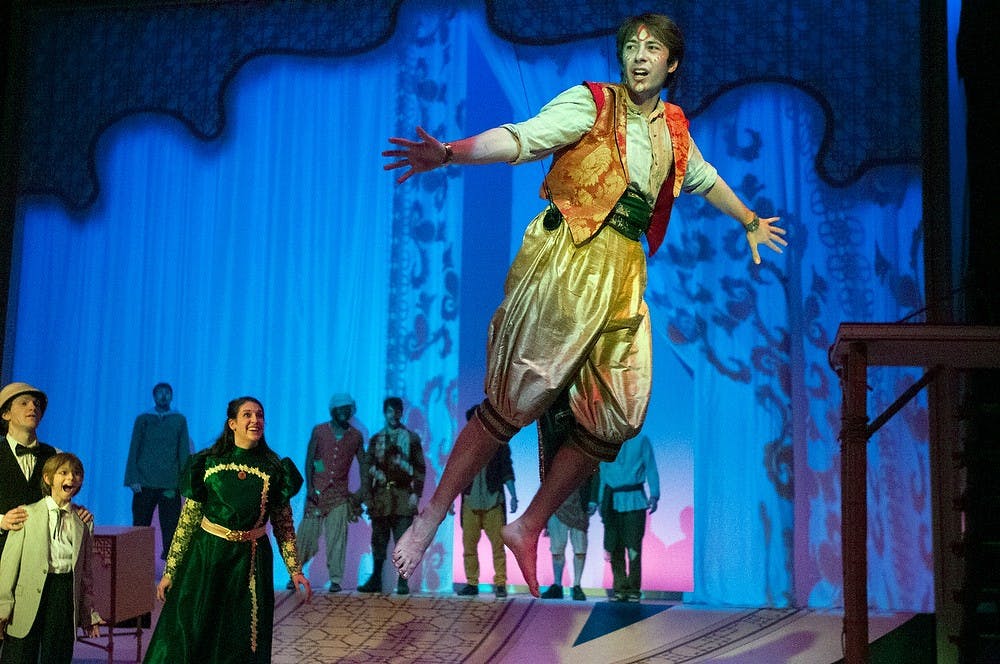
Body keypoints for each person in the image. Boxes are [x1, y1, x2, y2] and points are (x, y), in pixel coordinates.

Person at [382, 13, 786, 596]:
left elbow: (702, 177)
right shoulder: (591, 103)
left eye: (652, 48)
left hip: (624, 270)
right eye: (631, 47)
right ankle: (430, 517)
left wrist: (748, 219)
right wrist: (449, 153)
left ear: (672, 63)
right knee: (513, 401)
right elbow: (521, 138)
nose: (639, 56)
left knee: (617, 415)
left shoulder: (674, 128)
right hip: (570, 254)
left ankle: (528, 525)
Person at [143, 396, 311, 664]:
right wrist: (170, 571)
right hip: (207, 557)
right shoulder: (208, 464)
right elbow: (187, 522)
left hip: (251, 561)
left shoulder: (274, 469)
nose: (255, 420)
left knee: (241, 634)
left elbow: (284, 524)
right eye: (247, 415)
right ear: (232, 423)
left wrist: (295, 569)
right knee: (194, 629)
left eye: (259, 415)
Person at [0, 452, 102, 663]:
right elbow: (9, 567)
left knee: (57, 654)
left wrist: (88, 613)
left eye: (76, 473)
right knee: (19, 654)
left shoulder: (83, 521)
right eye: (63, 473)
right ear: (48, 478)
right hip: (28, 595)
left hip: (63, 594)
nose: (71, 478)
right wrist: (2, 608)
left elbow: (86, 573)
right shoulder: (26, 514)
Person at [291, 393, 365, 593]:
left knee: (337, 537)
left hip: (339, 495)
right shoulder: (320, 431)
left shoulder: (356, 436)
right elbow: (310, 460)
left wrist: (362, 492)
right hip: (317, 493)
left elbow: (364, 464)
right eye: (340, 408)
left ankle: (335, 579)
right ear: (333, 411)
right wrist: (310, 488)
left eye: (347, 409)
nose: (343, 412)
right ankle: (295, 574)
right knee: (306, 536)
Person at [357, 397, 425, 595]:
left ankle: (403, 581)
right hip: (381, 498)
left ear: (401, 413)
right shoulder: (377, 439)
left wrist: (416, 493)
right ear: (384, 413)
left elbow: (420, 469)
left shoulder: (411, 438)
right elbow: (367, 468)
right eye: (389, 411)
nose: (393, 415)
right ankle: (376, 579)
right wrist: (368, 497)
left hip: (403, 496)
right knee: (378, 541)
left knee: (403, 541)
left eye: (397, 411)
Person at [123, 382, 191, 560]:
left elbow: (183, 452)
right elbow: (134, 449)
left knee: (171, 525)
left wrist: (185, 481)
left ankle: (171, 564)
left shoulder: (179, 420)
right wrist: (132, 478)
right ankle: (138, 560)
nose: (163, 396)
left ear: (172, 396)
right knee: (141, 523)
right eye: (160, 393)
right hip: (144, 482)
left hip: (170, 482)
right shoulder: (143, 419)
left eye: (167, 392)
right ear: (154, 396)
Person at [456, 407, 517, 599]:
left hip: (493, 500)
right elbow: (455, 475)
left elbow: (507, 470)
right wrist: (448, 501)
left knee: (498, 545)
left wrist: (513, 495)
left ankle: (500, 583)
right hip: (470, 501)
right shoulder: (464, 445)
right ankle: (471, 583)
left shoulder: (499, 444)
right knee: (469, 546)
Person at [599, 434, 659, 602]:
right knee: (614, 546)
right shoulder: (606, 440)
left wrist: (654, 494)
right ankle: (620, 587)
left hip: (634, 499)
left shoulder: (641, 440)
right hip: (612, 500)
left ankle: (633, 588)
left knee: (633, 547)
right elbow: (603, 473)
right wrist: (600, 500)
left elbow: (650, 467)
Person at [541, 473, 598, 601]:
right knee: (557, 549)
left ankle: (577, 585)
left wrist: (593, 499)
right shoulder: (550, 460)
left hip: (579, 505)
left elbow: (595, 475)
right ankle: (557, 585)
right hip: (556, 506)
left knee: (580, 550)